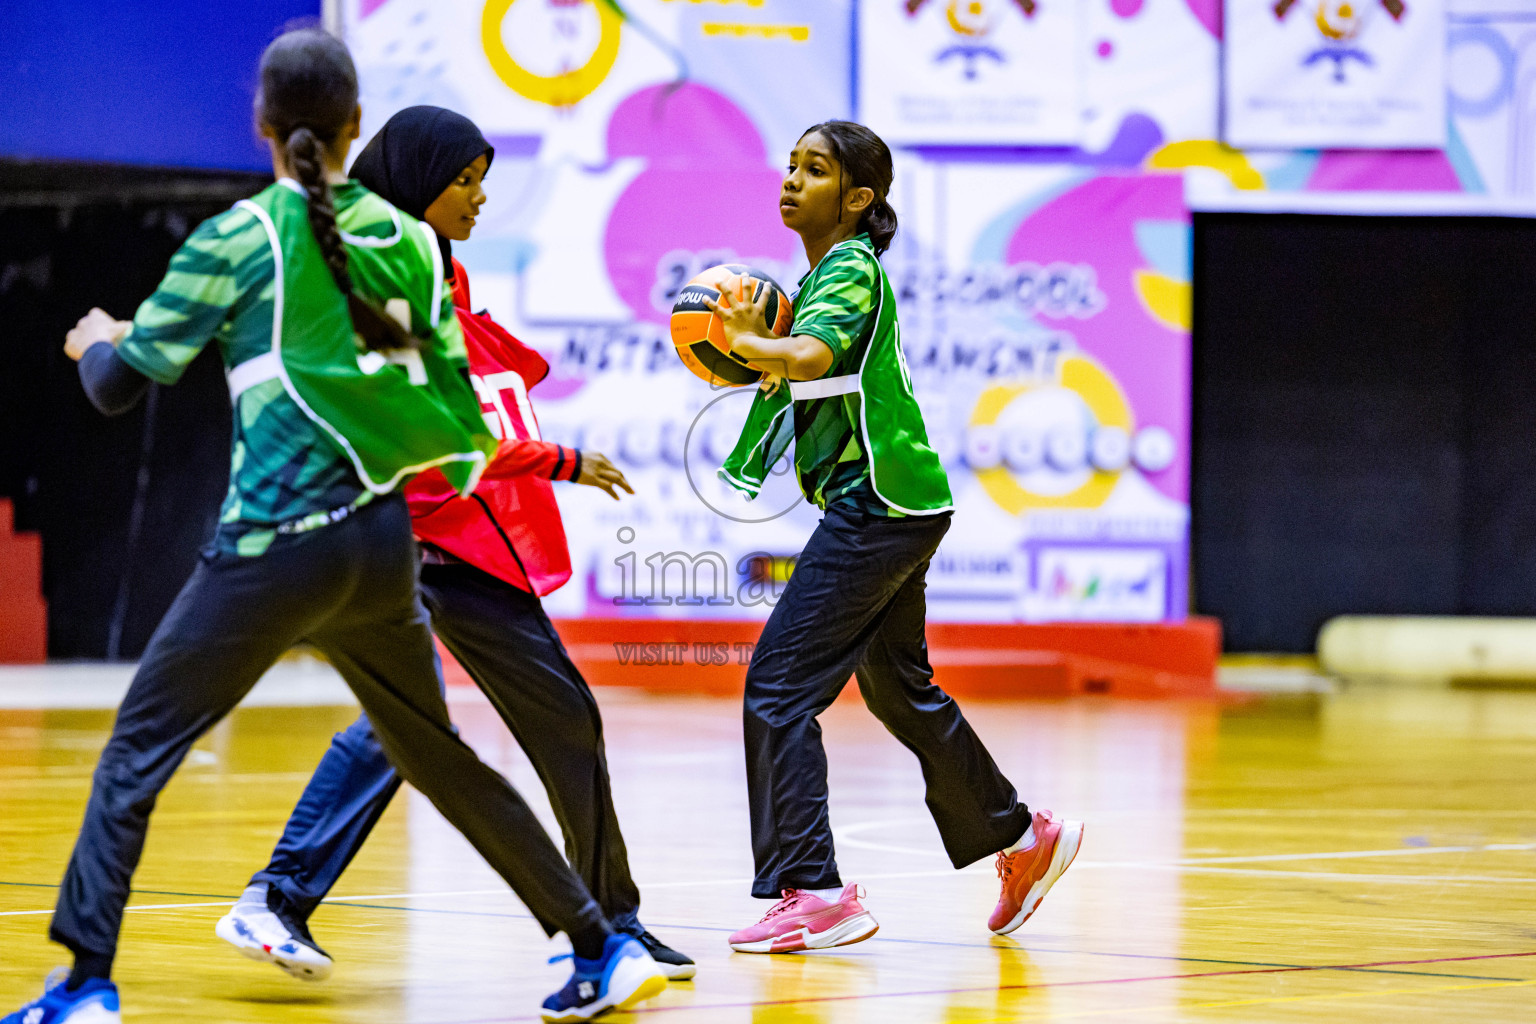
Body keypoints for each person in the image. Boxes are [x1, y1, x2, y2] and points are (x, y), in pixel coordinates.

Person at [2, 31, 663, 1024]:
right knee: (438, 754)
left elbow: (111, 389)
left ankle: (87, 982)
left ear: (262, 126)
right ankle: (599, 945)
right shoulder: (410, 249)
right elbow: (449, 420)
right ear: (356, 126)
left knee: (137, 752)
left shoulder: (240, 238)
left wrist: (98, 337)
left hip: (274, 547)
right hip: (382, 550)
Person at [213, 105, 695, 983]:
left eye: (482, 183)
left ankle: (608, 919)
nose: (478, 200)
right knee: (462, 727)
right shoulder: (381, 275)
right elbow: (423, 426)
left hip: (460, 532)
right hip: (412, 531)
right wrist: (559, 460)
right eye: (463, 183)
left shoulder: (442, 274)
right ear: (416, 183)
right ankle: (280, 898)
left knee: (499, 723)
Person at [706, 121, 1084, 953]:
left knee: (778, 684)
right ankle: (1023, 837)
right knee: (896, 688)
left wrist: (748, 345)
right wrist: (755, 354)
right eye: (790, 166)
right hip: (899, 504)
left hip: (877, 508)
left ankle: (816, 892)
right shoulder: (825, 275)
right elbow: (801, 360)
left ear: (858, 198)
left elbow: (809, 354)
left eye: (815, 170)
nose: (792, 180)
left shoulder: (847, 268)